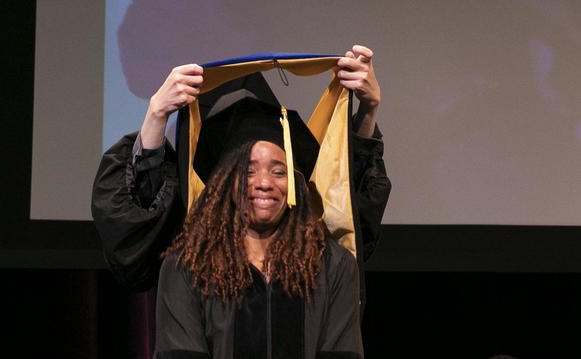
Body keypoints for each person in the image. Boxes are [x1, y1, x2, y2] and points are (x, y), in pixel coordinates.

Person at [92, 45, 391, 359]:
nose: (264, 182)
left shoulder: (331, 266)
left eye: (279, 170)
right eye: (247, 170)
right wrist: (156, 113)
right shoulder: (189, 268)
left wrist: (368, 110)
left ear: (296, 184)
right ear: (223, 184)